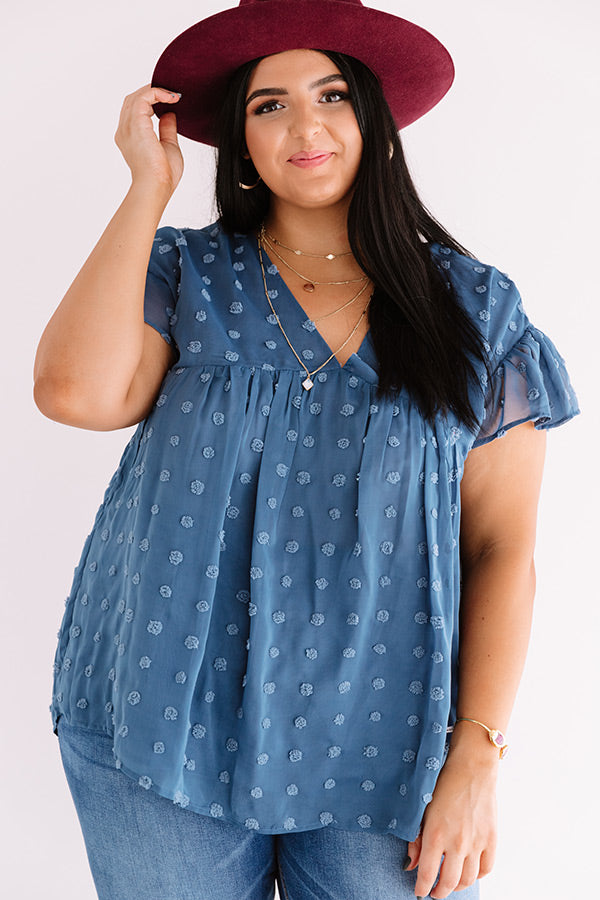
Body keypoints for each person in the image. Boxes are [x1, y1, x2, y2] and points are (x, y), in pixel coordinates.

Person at [33, 1, 580, 898]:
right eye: (269, 105)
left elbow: (501, 546)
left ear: (376, 119)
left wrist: (478, 755)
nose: (305, 125)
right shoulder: (184, 273)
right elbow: (74, 394)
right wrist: (146, 189)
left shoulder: (474, 309)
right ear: (241, 142)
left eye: (332, 95)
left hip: (389, 731)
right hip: (163, 709)